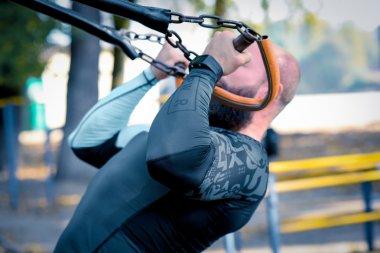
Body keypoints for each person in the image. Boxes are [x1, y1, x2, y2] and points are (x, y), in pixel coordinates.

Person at [54, 31, 300, 253]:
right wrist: (152, 75)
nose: (225, 69)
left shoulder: (250, 166)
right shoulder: (161, 137)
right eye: (228, 61)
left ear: (267, 91)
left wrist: (208, 66)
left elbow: (176, 158)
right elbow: (87, 142)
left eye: (242, 64)